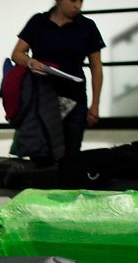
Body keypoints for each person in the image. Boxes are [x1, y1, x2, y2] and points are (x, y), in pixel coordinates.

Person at [12, 0, 104, 158]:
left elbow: (96, 67)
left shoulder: (87, 26)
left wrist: (95, 104)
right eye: (73, 1)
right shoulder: (38, 22)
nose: (78, 6)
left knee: (71, 154)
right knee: (41, 152)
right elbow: (17, 54)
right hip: (41, 98)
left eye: (81, 1)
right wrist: (31, 62)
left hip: (75, 98)